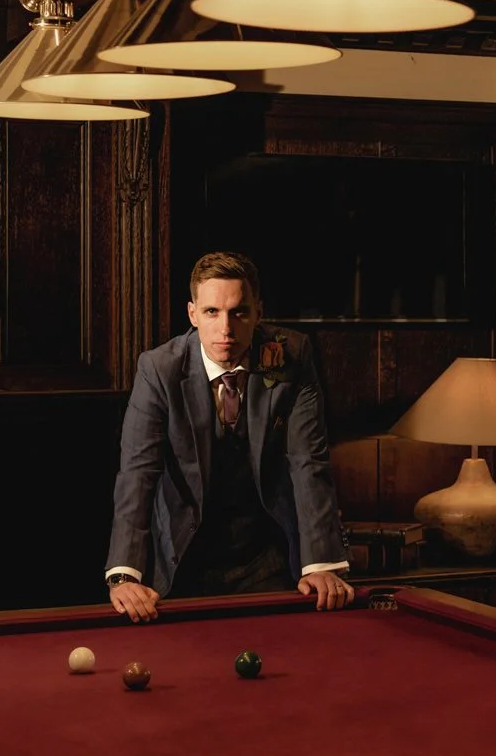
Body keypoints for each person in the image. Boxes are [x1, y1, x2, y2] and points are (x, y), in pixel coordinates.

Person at [106, 250, 353, 618]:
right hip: (183, 553)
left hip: (265, 554)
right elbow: (137, 473)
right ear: (192, 314)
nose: (226, 328)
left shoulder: (291, 355)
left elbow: (308, 462)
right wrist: (124, 575)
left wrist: (322, 564)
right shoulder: (158, 369)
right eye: (212, 312)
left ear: (258, 313)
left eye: (239, 312)